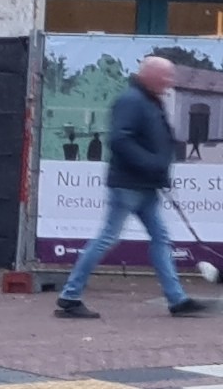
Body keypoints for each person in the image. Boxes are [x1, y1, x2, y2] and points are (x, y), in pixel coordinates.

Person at [56, 55, 209, 318]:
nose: (170, 82)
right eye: (165, 77)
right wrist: (153, 165)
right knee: (108, 238)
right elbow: (119, 140)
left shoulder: (149, 100)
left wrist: (159, 172)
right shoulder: (132, 101)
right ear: (149, 76)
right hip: (128, 185)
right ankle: (70, 296)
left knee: (159, 237)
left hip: (145, 185)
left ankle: (177, 299)